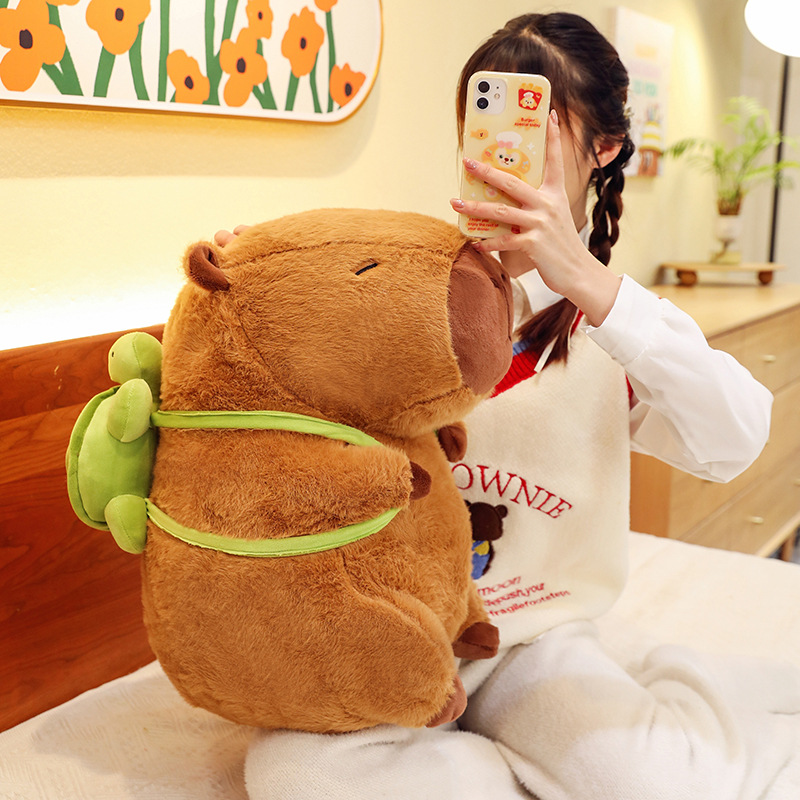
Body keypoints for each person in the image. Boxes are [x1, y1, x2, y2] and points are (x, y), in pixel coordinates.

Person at [234, 13, 800, 800]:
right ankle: (506, 764)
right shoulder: (402, 288)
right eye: (484, 124)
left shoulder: (615, 329)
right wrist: (257, 291)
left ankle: (644, 693)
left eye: (535, 132)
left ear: (604, 149)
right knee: (289, 774)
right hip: (397, 624)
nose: (502, 158)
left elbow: (734, 438)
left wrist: (589, 283)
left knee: (653, 781)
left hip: (534, 634)